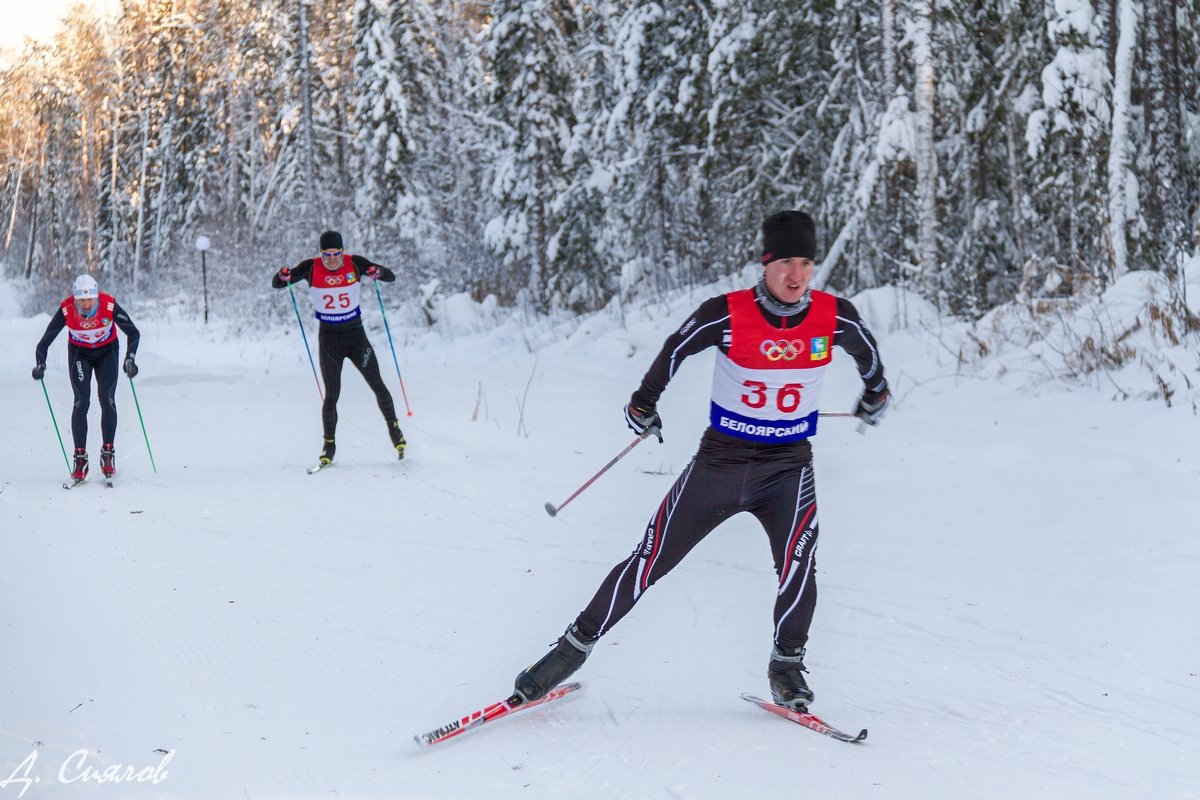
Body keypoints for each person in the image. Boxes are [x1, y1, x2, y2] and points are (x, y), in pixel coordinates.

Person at [512, 210, 892, 710]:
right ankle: (566, 653)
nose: (796, 275)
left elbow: (868, 357)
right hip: (721, 464)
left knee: (800, 564)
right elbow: (675, 349)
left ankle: (786, 667)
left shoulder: (833, 315)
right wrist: (642, 404)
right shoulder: (728, 313)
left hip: (789, 469)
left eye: (805, 263)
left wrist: (876, 392)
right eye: (785, 263)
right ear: (765, 263)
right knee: (648, 562)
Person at [272, 230, 407, 465]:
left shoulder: (355, 263)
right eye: (327, 254)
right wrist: (282, 276)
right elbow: (278, 283)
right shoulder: (310, 268)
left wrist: (378, 272)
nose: (332, 259)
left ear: (342, 252)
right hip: (329, 340)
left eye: (336, 254)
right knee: (332, 395)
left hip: (356, 338)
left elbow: (391, 277)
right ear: (321, 253)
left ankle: (396, 433)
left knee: (378, 384)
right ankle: (329, 446)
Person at [33, 274, 142, 481]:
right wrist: (41, 363)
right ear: (75, 299)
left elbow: (133, 333)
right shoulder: (66, 310)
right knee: (81, 402)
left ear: (96, 297)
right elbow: (44, 342)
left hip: (107, 352)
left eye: (90, 299)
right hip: (79, 354)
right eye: (82, 300)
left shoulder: (108, 306)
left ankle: (108, 454)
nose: (86, 304)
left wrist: (130, 359)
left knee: (107, 400)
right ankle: (80, 458)